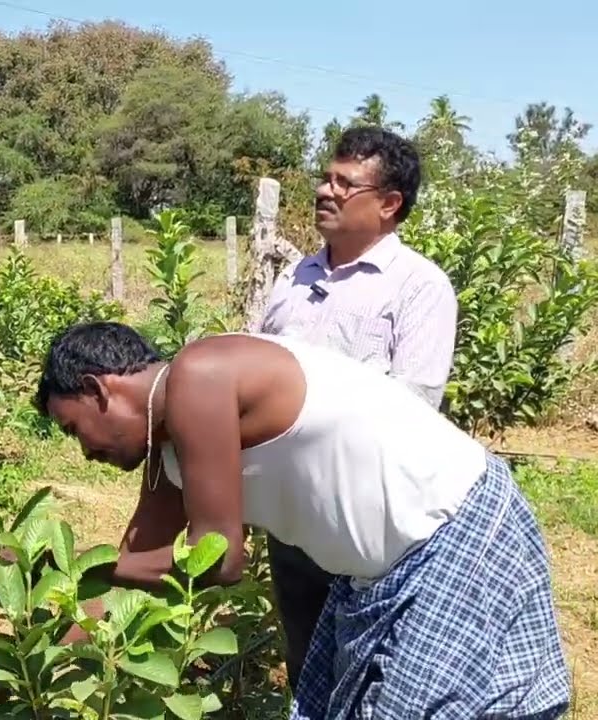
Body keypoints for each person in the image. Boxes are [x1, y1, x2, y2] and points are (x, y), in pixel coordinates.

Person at [31, 321, 570, 719]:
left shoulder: (197, 376)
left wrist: (75, 564)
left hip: (454, 531)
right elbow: (130, 570)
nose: (83, 452)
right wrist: (37, 606)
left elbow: (218, 557)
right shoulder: (167, 450)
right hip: (377, 576)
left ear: (98, 389)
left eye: (74, 429)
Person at [253, 125, 459, 687]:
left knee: (368, 658)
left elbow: (414, 409)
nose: (325, 190)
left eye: (345, 184)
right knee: (305, 650)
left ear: (390, 204)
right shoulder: (296, 277)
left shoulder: (418, 288)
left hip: (365, 517)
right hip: (292, 511)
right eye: (325, 177)